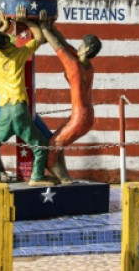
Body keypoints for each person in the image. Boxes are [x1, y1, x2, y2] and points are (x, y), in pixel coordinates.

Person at [0, 8, 54, 185]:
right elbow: (39, 38)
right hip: (19, 108)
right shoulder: (18, 54)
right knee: (40, 145)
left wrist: (0, 25)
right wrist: (26, 21)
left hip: (5, 109)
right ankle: (36, 177)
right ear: (6, 41)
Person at [37, 10, 101, 183]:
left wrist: (43, 26)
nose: (78, 46)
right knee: (57, 143)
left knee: (53, 146)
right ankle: (64, 176)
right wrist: (51, 26)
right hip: (85, 115)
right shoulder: (87, 65)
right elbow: (64, 43)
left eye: (81, 45)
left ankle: (60, 176)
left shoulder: (74, 66)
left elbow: (58, 46)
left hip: (79, 117)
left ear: (86, 49)